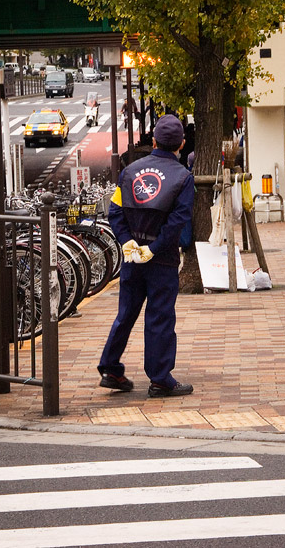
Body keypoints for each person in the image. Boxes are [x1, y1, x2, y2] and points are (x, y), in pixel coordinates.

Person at [98, 114, 195, 397]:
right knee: (160, 316)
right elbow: (177, 222)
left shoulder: (130, 171)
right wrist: (152, 249)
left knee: (126, 313)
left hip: (132, 256)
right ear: (182, 144)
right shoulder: (182, 178)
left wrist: (129, 244)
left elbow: (115, 211)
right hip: (161, 258)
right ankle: (160, 378)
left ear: (153, 141)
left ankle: (111, 367)